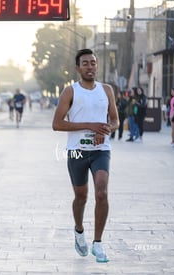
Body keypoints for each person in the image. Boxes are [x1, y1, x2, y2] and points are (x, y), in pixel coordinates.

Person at [52, 49, 119, 263]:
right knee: (81, 197)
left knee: (101, 193)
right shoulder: (70, 92)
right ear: (78, 68)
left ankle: (98, 243)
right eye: (85, 63)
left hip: (101, 150)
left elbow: (115, 120)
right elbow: (57, 124)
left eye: (93, 63)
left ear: (97, 66)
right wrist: (90, 125)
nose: (90, 67)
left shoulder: (106, 90)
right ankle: (79, 231)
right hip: (77, 151)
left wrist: (106, 129)